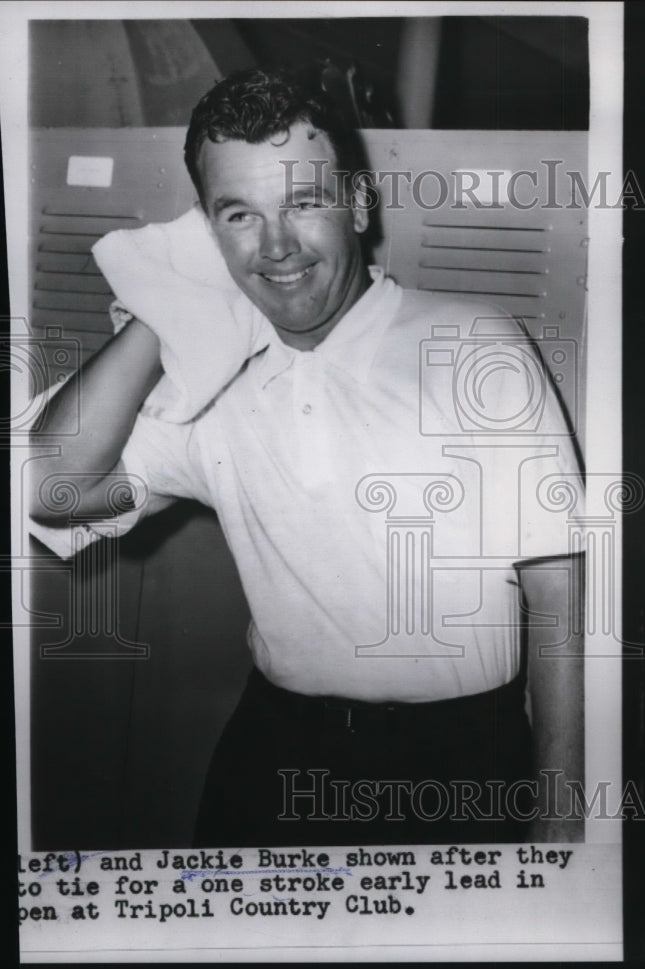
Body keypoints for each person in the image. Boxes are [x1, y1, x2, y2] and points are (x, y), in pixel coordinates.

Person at [30, 67, 585, 847]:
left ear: (357, 205)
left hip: (458, 764)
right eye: (240, 215)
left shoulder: (474, 348)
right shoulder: (212, 376)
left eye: (302, 203)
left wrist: (561, 826)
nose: (278, 246)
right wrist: (166, 305)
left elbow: (562, 604)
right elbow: (51, 488)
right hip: (276, 752)